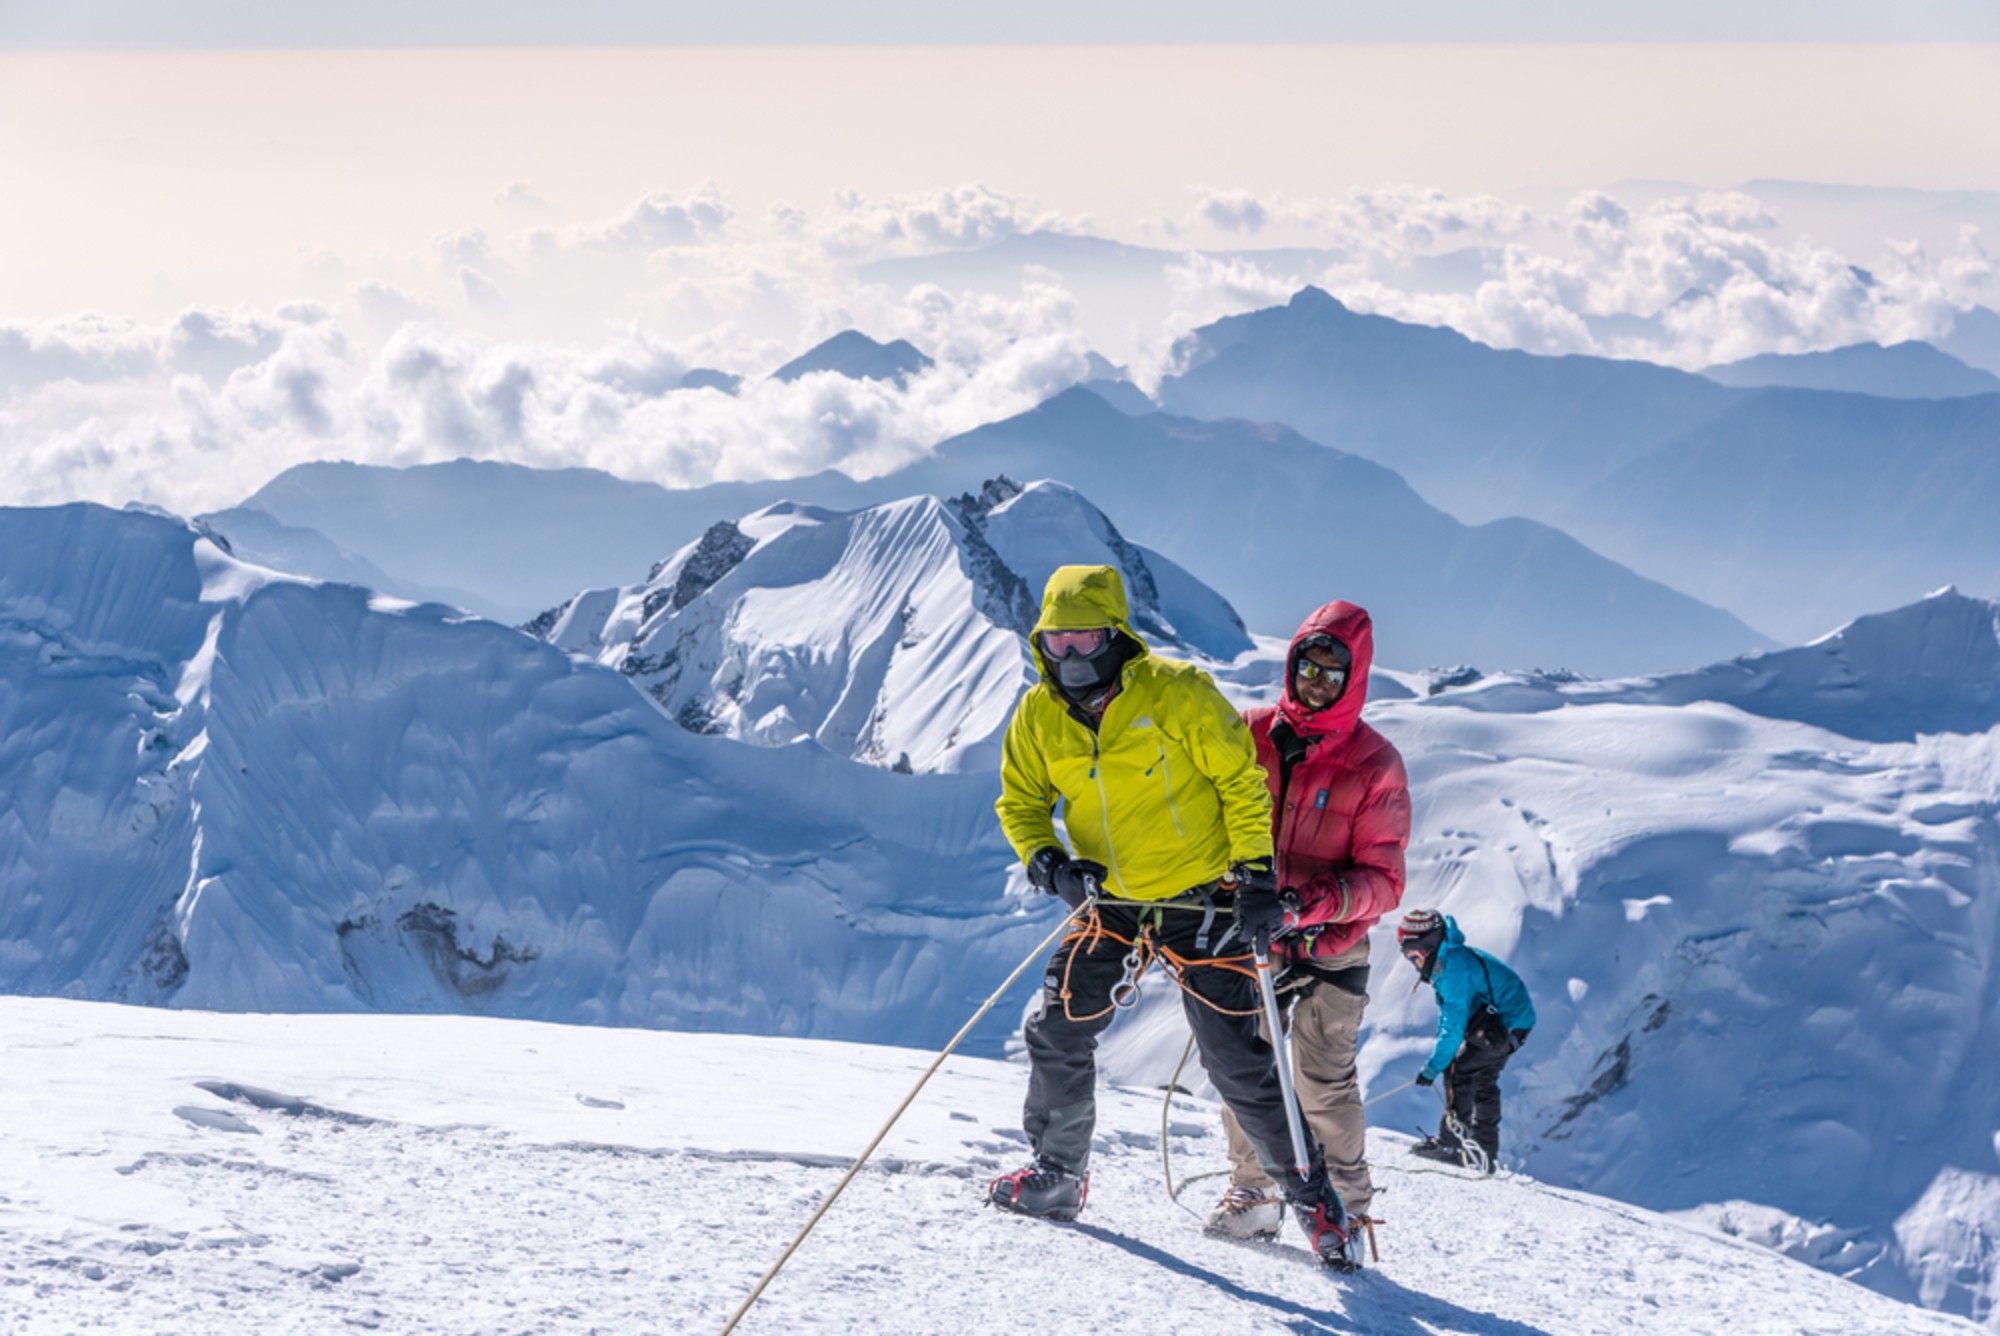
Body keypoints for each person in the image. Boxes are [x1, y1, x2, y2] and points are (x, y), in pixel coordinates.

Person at [985, 564, 1356, 1267]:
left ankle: (1314, 1203)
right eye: (1055, 643)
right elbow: (1020, 802)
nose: (1068, 657)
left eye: (1083, 639)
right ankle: (1058, 1176)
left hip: (1199, 899)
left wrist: (1253, 876)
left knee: (1236, 1061)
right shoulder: (1038, 715)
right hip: (1112, 902)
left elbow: (1238, 782)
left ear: (1116, 635)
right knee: (1060, 1025)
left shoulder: (1177, 693)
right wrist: (1049, 863)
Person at [1205, 602, 1411, 1241]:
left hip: (1331, 945)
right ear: (1290, 664)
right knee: (1247, 1068)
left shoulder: (1375, 764)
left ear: (1354, 679)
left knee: (1321, 1083)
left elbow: (1383, 882)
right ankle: (1254, 1193)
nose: (1316, 684)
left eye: (1331, 674)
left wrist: (1300, 908)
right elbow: (1210, 820)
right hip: (1254, 934)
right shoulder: (1249, 732)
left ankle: (1346, 1207)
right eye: (1307, 668)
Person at [1397, 908, 1536, 1171]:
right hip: (1509, 1022)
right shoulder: (1447, 958)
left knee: (1459, 1071)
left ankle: (1451, 1145)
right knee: (1483, 1079)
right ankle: (1483, 1153)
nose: (1413, 962)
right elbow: (1451, 1012)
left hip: (1505, 1025)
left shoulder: (1451, 969)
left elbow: (1454, 1025)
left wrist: (1432, 1068)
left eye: (1414, 955)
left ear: (1427, 946)